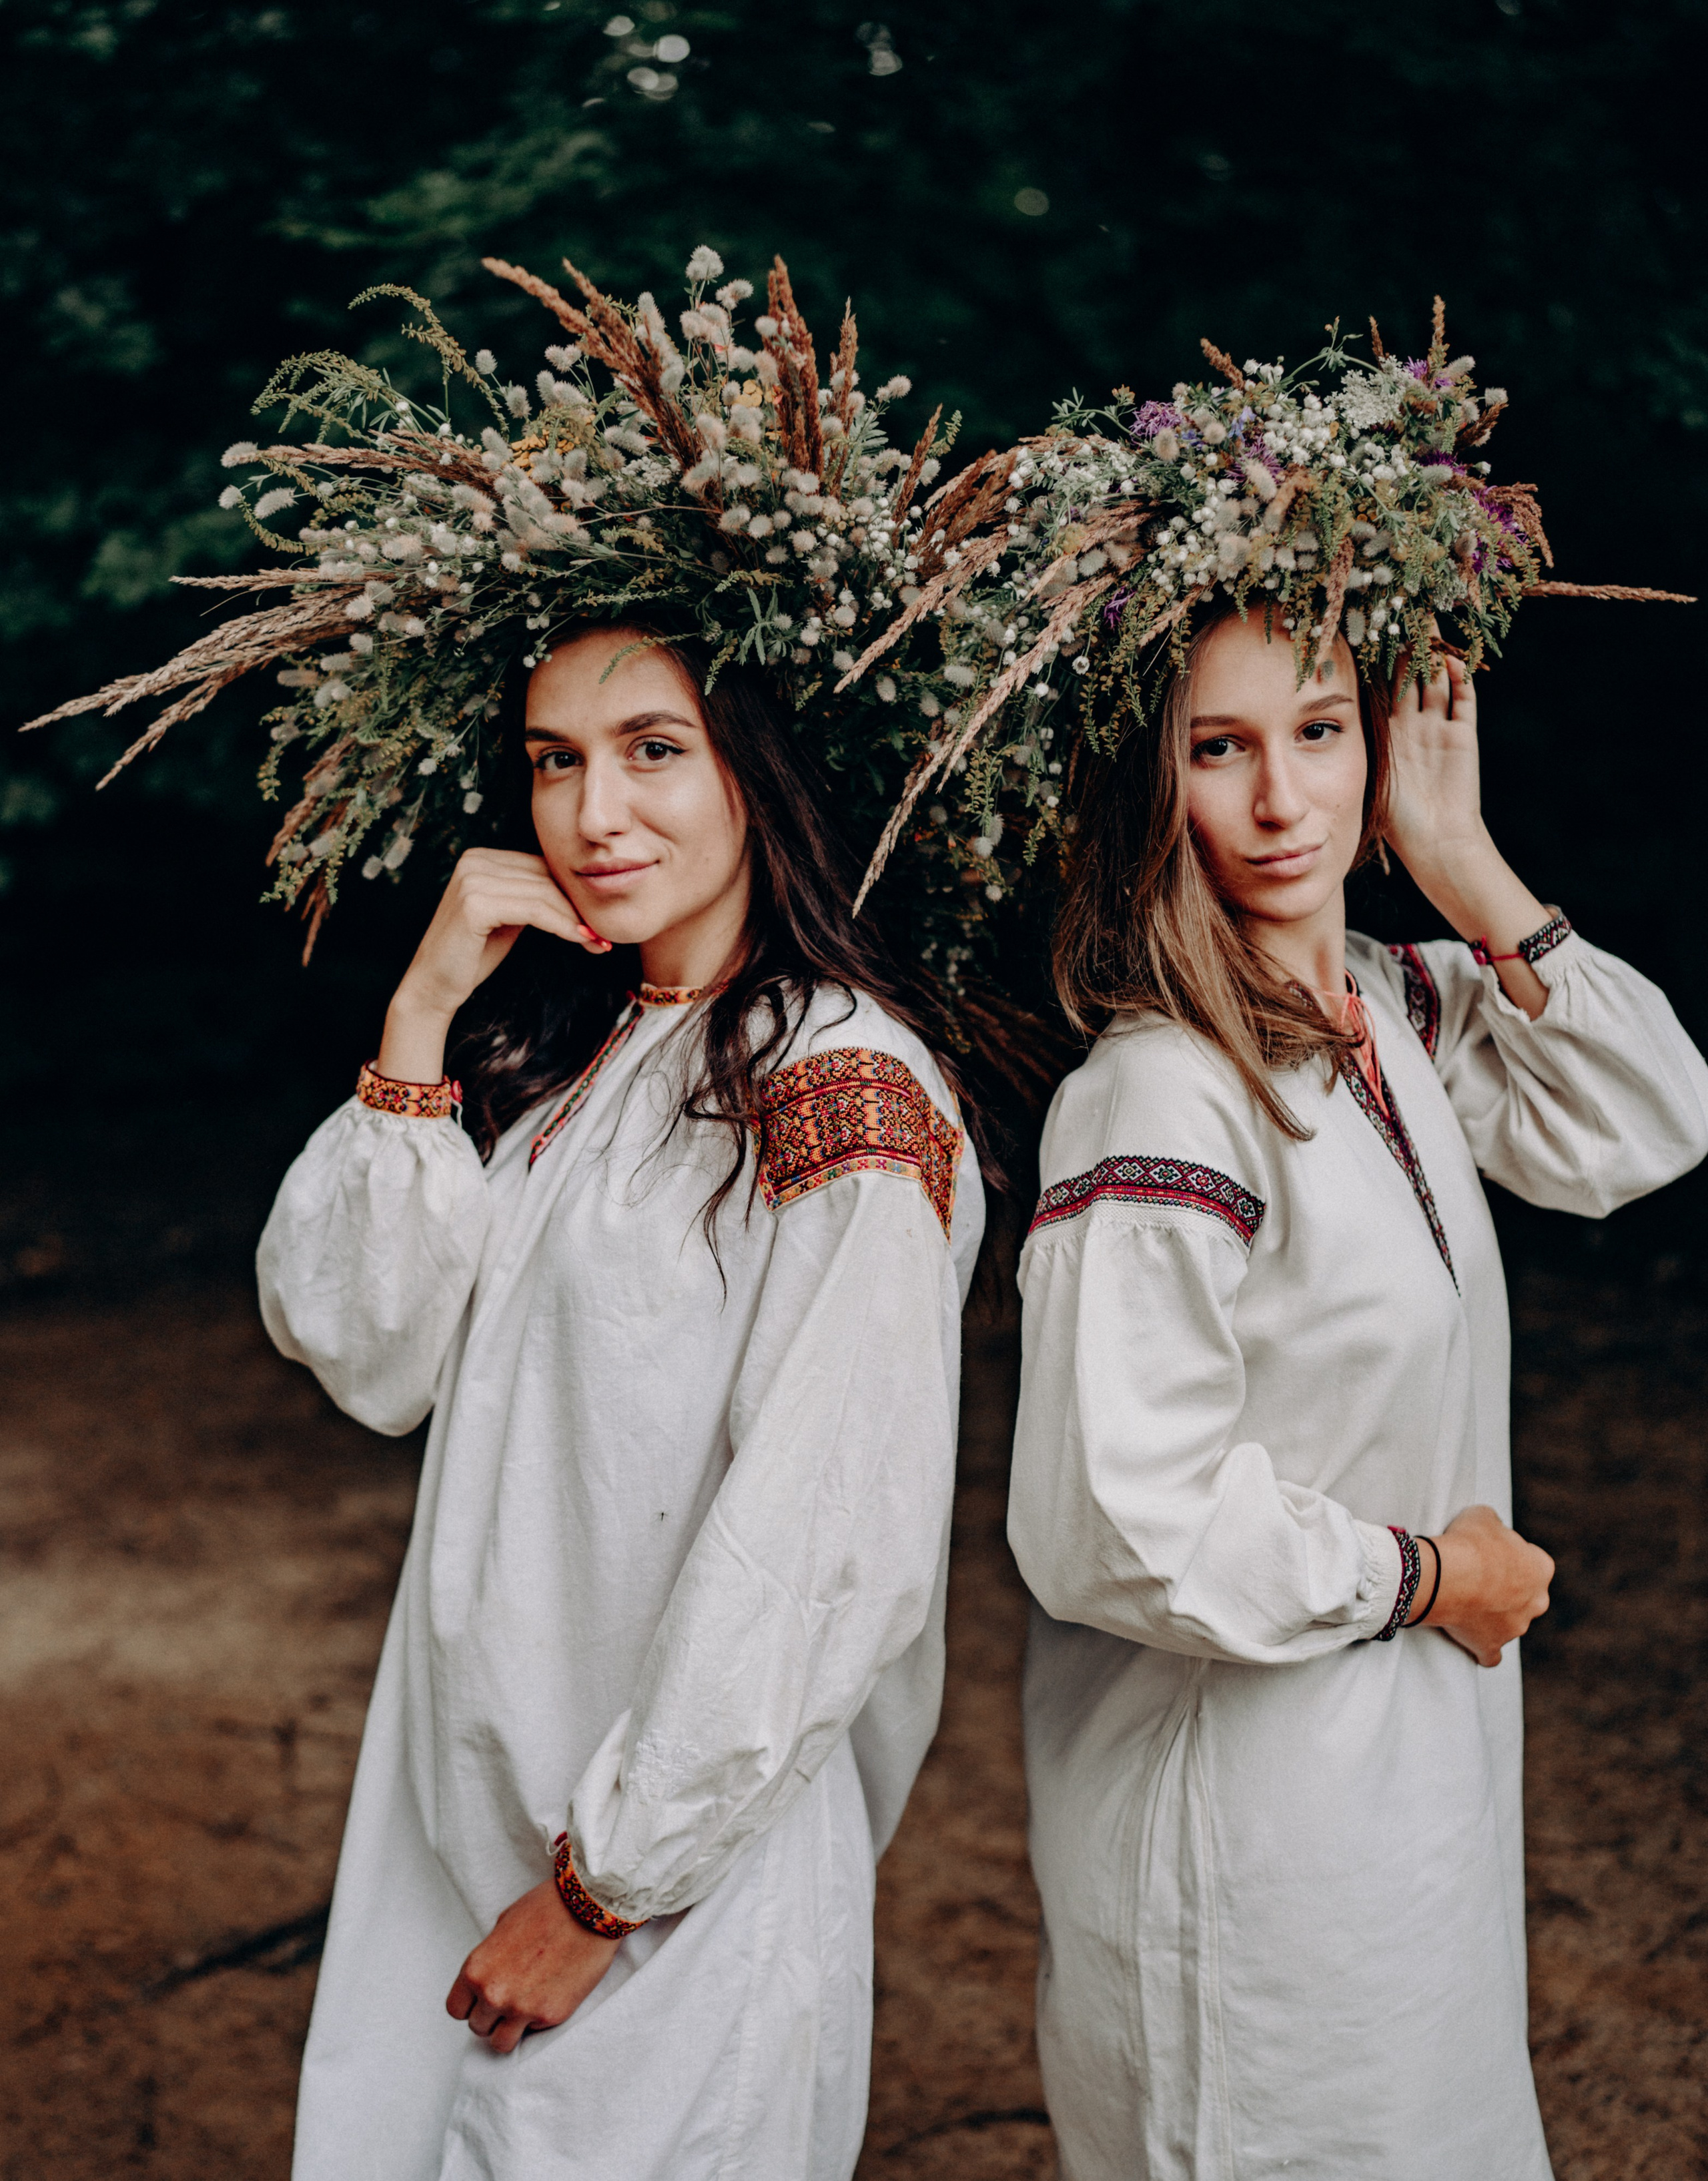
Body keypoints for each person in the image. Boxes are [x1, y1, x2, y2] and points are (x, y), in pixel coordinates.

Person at [258, 623, 985, 2178]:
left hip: (663, 1887)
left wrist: (605, 1889)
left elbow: (825, 1539)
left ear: (757, 768)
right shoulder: (587, 1061)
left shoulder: (840, 1086)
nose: (594, 814)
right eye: (555, 761)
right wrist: (419, 1011)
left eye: (654, 749)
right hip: (467, 1828)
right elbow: (366, 1347)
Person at [1005, 601, 1708, 2179]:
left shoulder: (1384, 1015)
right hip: (1242, 1817)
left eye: (1318, 733)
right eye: (1218, 747)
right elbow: (1116, 1520)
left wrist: (1456, 854)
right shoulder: (1159, 1090)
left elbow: (1651, 1114)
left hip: (1403, 1783)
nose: (1279, 800)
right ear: (1149, 779)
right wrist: (1428, 1574)